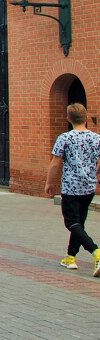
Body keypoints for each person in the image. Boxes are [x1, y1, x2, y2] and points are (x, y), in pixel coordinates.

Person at [44, 103, 100, 275]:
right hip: (89, 187)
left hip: (70, 187)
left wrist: (49, 183)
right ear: (85, 117)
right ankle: (70, 257)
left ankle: (96, 251)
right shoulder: (96, 138)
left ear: (68, 118)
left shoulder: (65, 138)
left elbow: (55, 163)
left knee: (71, 222)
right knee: (79, 223)